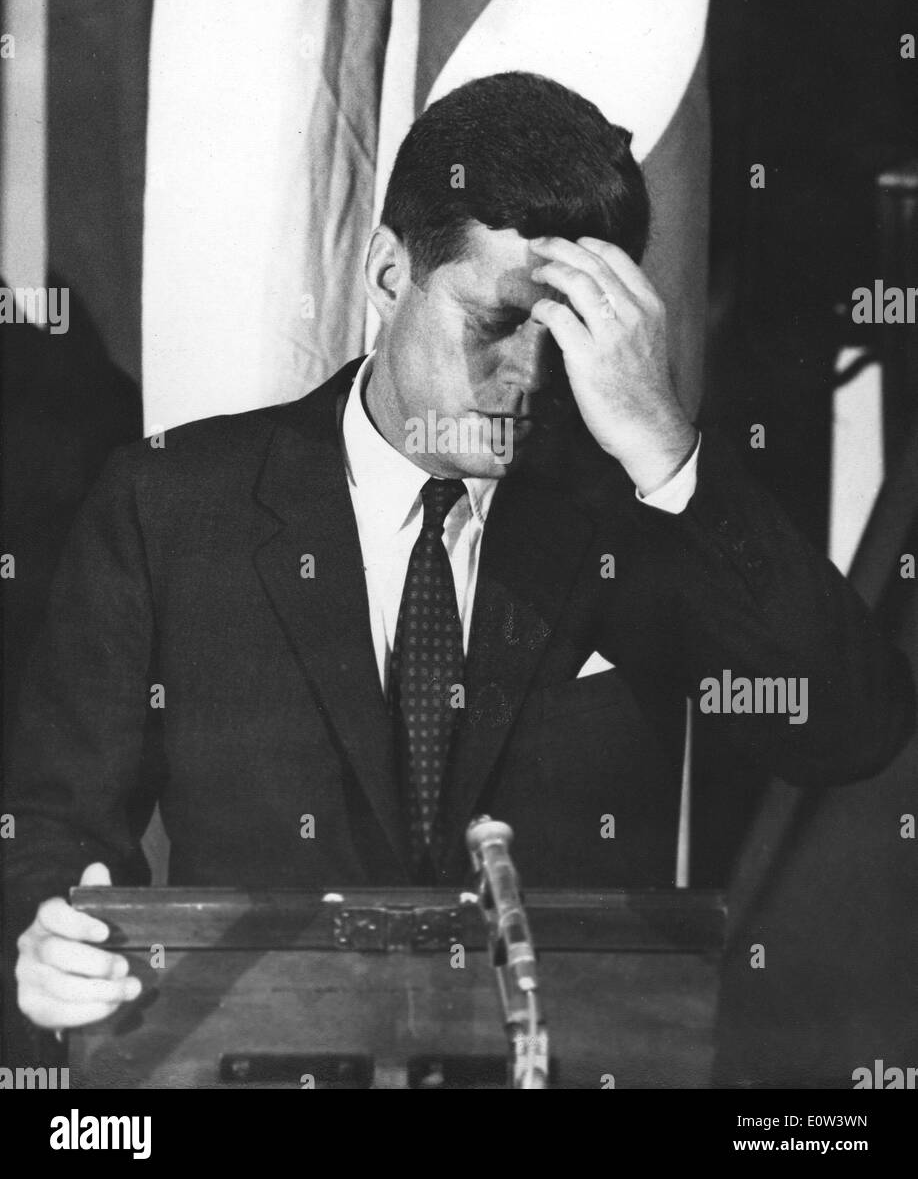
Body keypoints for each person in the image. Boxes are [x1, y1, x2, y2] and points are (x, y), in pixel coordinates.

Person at [7, 71, 914, 1033]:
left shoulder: (639, 510)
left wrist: (665, 444)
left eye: (563, 333)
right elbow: (55, 823)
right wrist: (49, 931)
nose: (524, 377)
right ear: (390, 274)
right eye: (495, 324)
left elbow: (848, 733)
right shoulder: (171, 504)